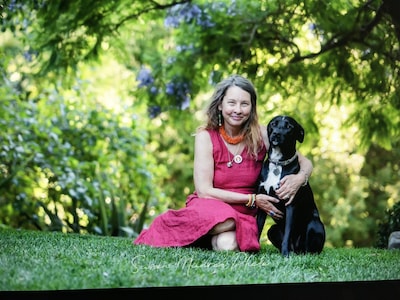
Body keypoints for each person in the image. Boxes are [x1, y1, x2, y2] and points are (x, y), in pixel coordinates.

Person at [133, 74, 313, 252]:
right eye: (232, 103)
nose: (238, 109)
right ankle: (183, 231)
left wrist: (300, 179)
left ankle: (196, 236)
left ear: (251, 108)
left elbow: (305, 162)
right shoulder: (205, 136)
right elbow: (204, 191)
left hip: (244, 213)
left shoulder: (264, 135)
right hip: (211, 205)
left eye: (244, 104)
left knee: (227, 246)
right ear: (220, 105)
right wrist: (252, 199)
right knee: (221, 219)